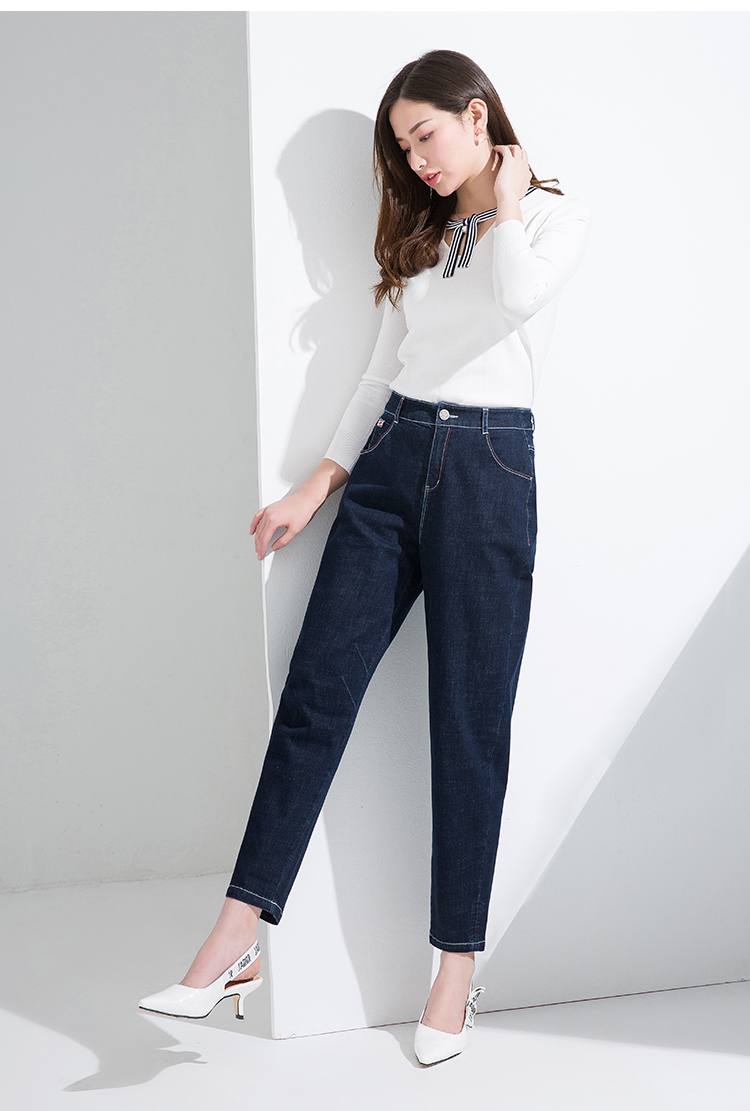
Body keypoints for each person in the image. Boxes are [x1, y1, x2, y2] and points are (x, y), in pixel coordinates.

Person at [139, 48, 590, 1066]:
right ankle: (234, 936)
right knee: (315, 696)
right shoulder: (424, 236)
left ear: (477, 117)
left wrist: (507, 198)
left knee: (469, 728)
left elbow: (520, 299)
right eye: (402, 147)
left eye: (426, 135)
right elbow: (383, 372)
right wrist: (315, 486)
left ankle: (455, 971)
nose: (417, 161)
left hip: (488, 474)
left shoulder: (551, 219)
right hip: (391, 466)